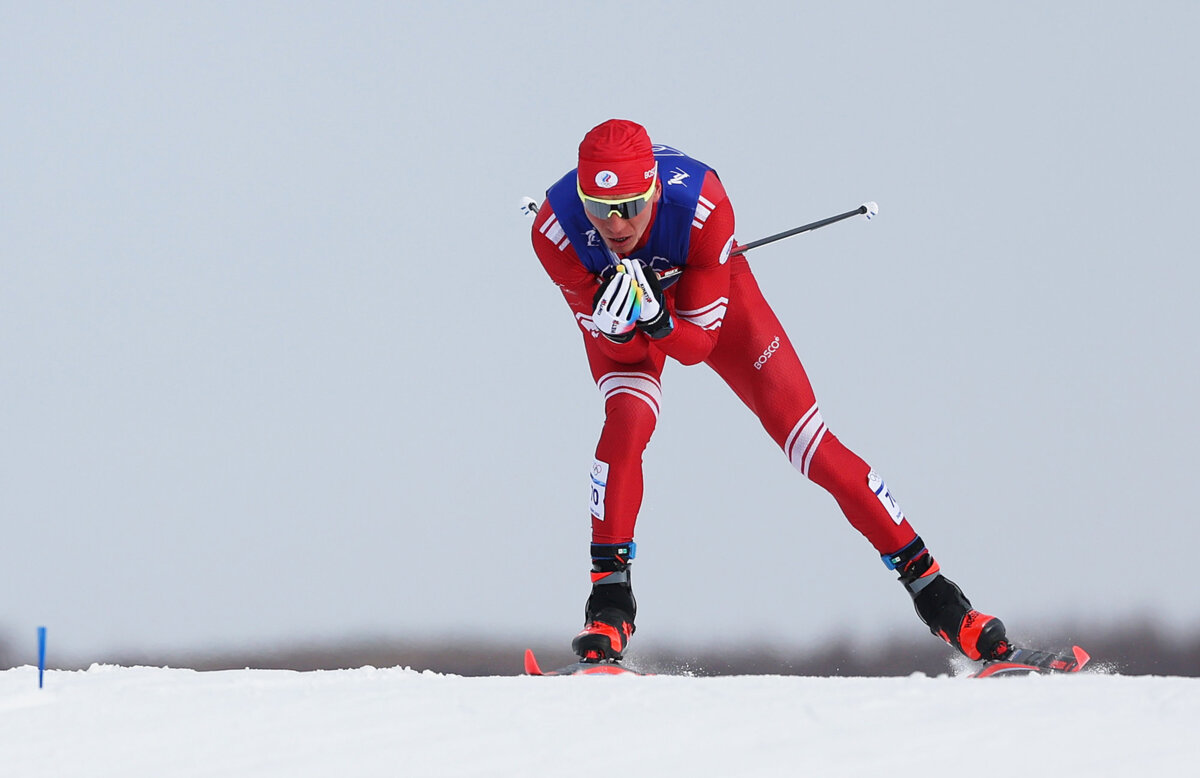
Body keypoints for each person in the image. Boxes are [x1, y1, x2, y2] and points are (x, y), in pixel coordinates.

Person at [530, 119, 1011, 665]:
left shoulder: (701, 203)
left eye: (631, 205)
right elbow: (620, 358)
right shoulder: (556, 229)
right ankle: (608, 608)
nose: (615, 225)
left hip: (704, 300)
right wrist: (618, 328)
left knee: (811, 444)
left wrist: (660, 319)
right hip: (629, 317)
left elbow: (696, 344)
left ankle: (946, 604)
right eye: (599, 207)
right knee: (627, 421)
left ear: (655, 188)